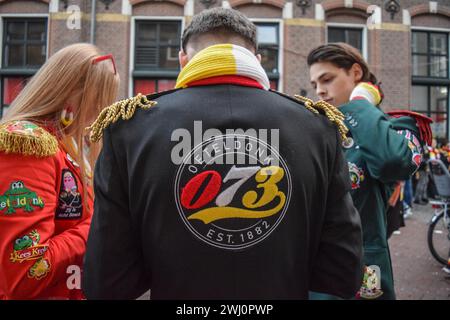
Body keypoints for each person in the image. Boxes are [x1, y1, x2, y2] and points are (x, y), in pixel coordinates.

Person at [82, 8, 363, 300]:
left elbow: (107, 281)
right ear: (258, 60)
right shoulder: (318, 127)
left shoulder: (128, 128)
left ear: (183, 59)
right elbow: (342, 271)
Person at [308, 43, 432, 300]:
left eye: (327, 79)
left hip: (364, 270)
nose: (320, 90)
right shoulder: (315, 130)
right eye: (314, 84)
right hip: (314, 271)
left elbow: (392, 162)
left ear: (355, 73)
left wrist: (360, 102)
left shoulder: (398, 128)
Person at [0, 43, 119, 299]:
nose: (97, 116)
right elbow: (25, 273)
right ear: (72, 96)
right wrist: (99, 225)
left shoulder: (64, 143)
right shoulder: (28, 145)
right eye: (97, 102)